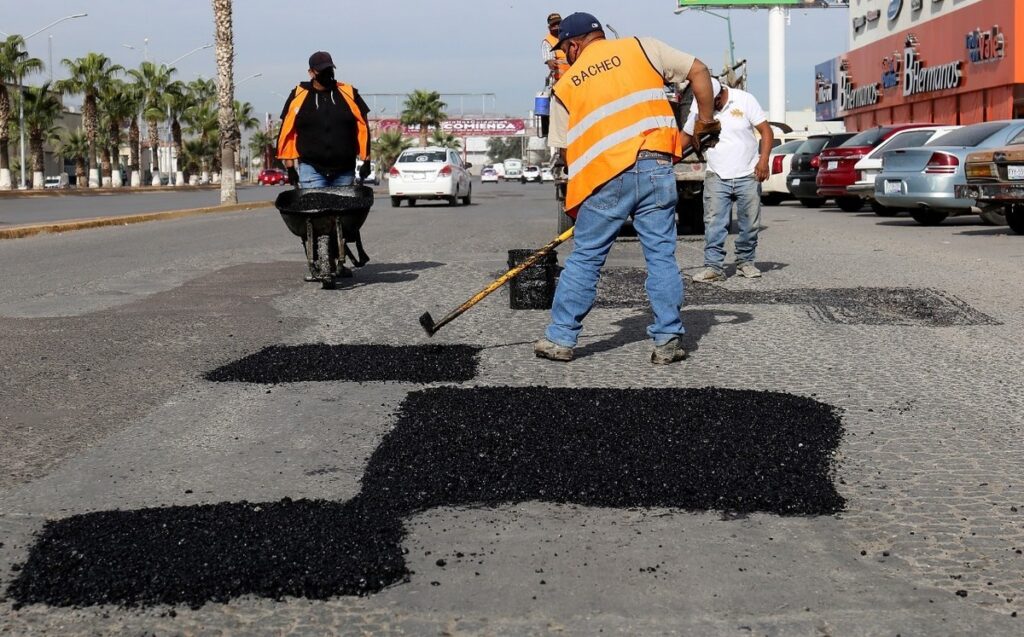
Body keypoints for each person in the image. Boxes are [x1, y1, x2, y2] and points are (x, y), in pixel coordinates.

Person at [533, 12, 719, 365]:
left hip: (605, 176)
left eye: (565, 50)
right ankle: (668, 341)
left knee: (586, 257)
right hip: (654, 166)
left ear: (573, 46)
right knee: (661, 256)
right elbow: (700, 71)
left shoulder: (566, 86)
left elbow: (568, 153)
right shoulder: (643, 47)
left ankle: (560, 339)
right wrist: (706, 122)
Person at [681, 77, 773, 282]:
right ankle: (714, 267)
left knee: (750, 223)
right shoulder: (700, 102)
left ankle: (745, 262)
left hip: (748, 173)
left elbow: (766, 131)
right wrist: (667, 157)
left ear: (719, 96)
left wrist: (763, 160)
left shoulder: (744, 99)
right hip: (717, 174)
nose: (704, 108)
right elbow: (686, 135)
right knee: (714, 224)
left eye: (709, 104)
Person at [276, 51, 373, 188]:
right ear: (311, 72)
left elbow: (363, 128)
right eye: (322, 70)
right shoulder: (298, 95)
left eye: (329, 69)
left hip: (344, 170)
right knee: (315, 209)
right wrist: (290, 167)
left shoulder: (349, 92)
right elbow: (287, 131)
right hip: (311, 169)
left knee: (341, 210)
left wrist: (366, 161)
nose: (327, 73)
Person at [541, 13, 570, 86]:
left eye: (558, 23)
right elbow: (550, 63)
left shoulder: (569, 36)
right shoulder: (547, 41)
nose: (557, 26)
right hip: (559, 81)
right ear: (549, 27)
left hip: (575, 77)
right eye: (554, 24)